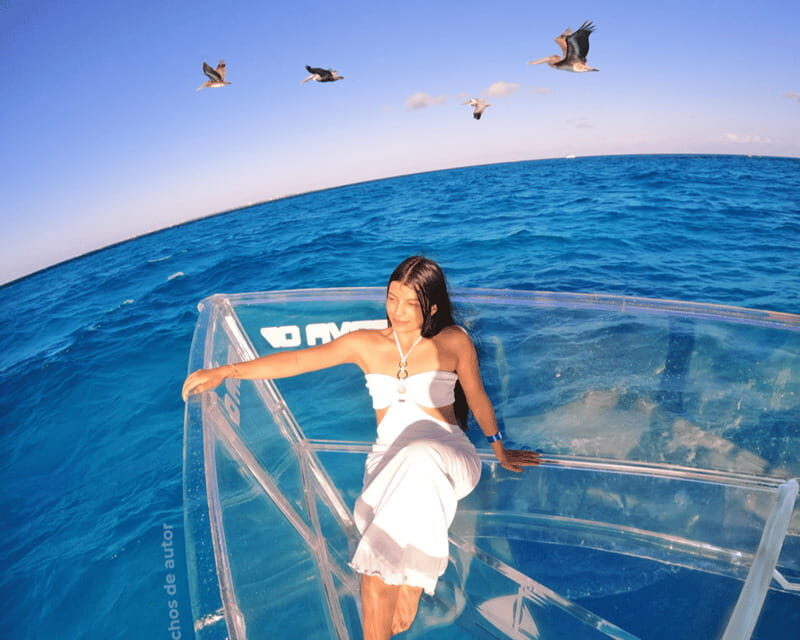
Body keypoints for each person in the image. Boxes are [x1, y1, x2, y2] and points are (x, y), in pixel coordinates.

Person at [182, 256, 541, 639]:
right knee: (374, 571)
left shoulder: (453, 341)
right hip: (388, 462)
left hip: (448, 458)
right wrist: (226, 371)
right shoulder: (366, 344)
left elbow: (477, 398)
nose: (398, 311)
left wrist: (499, 450)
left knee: (418, 460)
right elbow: (300, 360)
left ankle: (415, 579)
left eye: (411, 303)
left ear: (433, 307)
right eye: (392, 299)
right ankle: (400, 589)